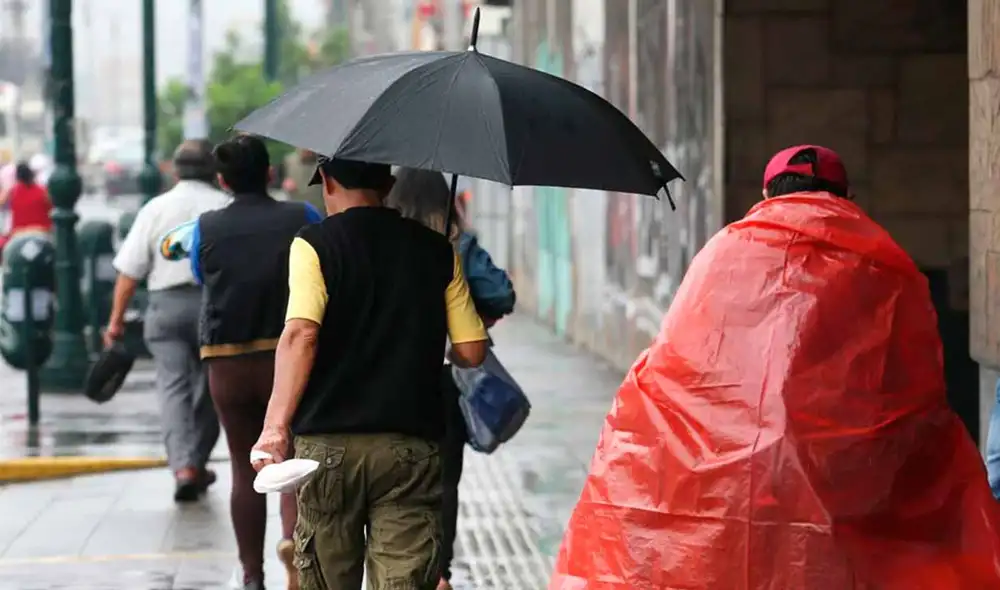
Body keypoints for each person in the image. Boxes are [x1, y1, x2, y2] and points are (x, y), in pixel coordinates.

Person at [551, 145, 1000, 589]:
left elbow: (677, 360)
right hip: (842, 481)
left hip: (728, 475)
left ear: (767, 193)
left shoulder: (724, 251)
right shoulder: (881, 262)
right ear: (845, 195)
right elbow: (913, 385)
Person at [250, 157, 489, 589]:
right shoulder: (438, 250)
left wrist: (274, 427)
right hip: (410, 446)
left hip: (326, 446)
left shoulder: (313, 245)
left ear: (327, 180)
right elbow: (471, 352)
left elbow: (301, 334)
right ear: (388, 184)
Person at [161, 134, 322, 590]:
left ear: (222, 180)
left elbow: (199, 274)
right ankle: (293, 544)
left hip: (227, 361)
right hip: (286, 356)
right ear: (270, 174)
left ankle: (252, 575)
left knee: (241, 464)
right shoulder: (301, 216)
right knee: (291, 455)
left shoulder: (207, 226)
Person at [384, 168, 516, 590]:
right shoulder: (457, 244)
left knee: (395, 477)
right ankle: (439, 572)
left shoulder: (386, 242)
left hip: (392, 374)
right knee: (443, 481)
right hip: (444, 376)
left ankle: (401, 564)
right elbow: (501, 293)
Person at [107, 139, 230, 502]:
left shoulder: (156, 208)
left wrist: (115, 320)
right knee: (211, 388)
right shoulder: (225, 205)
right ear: (214, 172)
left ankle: (183, 467)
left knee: (173, 388)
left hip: (167, 306)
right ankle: (197, 459)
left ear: (174, 171)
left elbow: (129, 272)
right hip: (215, 306)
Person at [0, 162, 53, 254]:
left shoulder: (13, 191)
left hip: (18, 235)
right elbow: (52, 207)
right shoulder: (42, 190)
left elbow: (1, 202)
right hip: (42, 232)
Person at [281, 148, 325, 213]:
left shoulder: (323, 162)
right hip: (296, 207)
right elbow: (279, 179)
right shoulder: (289, 160)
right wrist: (285, 182)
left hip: (319, 208)